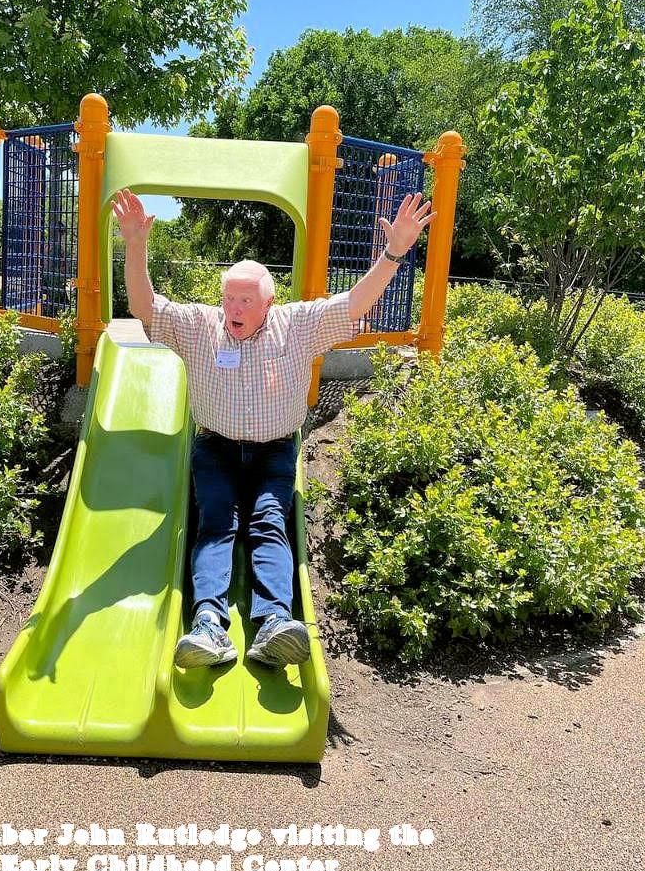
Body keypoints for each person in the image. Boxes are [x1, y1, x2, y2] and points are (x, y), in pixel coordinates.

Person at [112, 187, 436, 669]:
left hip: (274, 451)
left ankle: (274, 623)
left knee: (269, 524)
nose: (235, 308)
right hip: (216, 448)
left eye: (246, 299)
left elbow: (353, 304)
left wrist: (393, 255)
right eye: (229, 297)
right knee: (216, 523)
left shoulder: (297, 325)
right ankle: (208, 625)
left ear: (269, 301)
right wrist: (135, 245)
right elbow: (146, 307)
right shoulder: (201, 326)